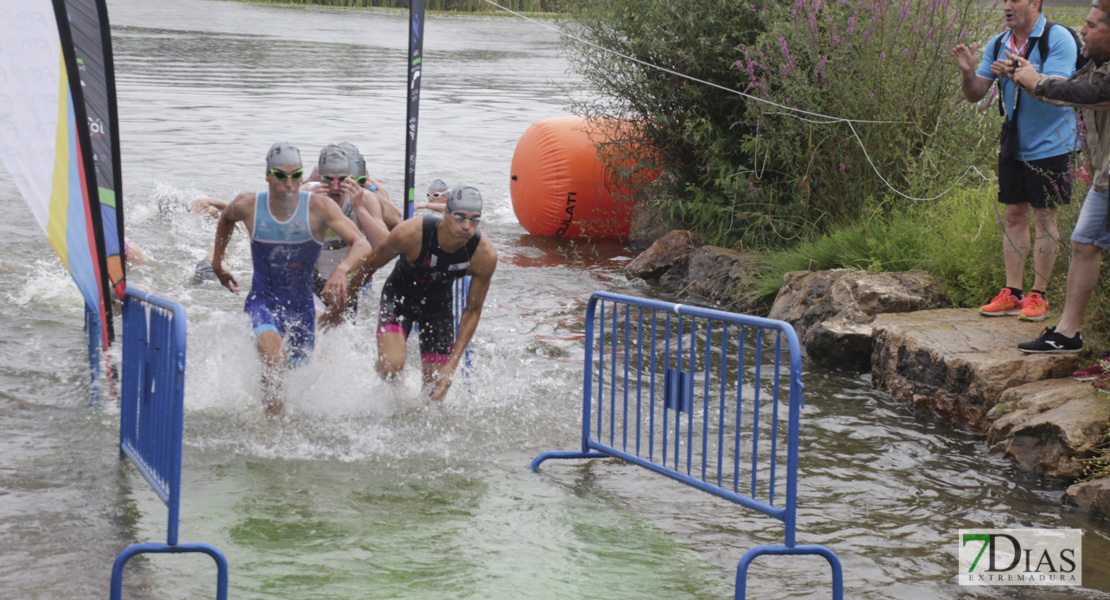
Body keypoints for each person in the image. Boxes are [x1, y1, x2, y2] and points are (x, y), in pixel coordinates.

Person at [210, 142, 371, 416]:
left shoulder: (319, 208)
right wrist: (217, 263)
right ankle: (272, 430)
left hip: (301, 307)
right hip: (264, 300)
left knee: (295, 377)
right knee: (274, 360)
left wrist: (342, 270)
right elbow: (226, 218)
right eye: (281, 175)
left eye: (296, 175)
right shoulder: (249, 205)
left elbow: (363, 244)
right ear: (268, 175)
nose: (289, 183)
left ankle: (278, 416)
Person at [952, 0, 1080, 322]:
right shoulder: (999, 43)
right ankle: (1012, 292)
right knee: (1013, 215)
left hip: (1054, 142)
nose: (1007, 6)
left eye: (1015, 0)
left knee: (1044, 217)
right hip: (1015, 143)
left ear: (1035, 3)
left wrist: (1019, 73)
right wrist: (969, 74)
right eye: (1005, 0)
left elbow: (1058, 88)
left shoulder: (1058, 37)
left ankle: (1039, 295)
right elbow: (975, 94)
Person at [1007, 1, 1110, 382]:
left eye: (1090, 25)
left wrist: (1036, 81)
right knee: (1084, 244)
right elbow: (1067, 89)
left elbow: (1087, 95)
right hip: (1104, 175)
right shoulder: (1095, 64)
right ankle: (1067, 335)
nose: (1082, 31)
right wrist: (1026, 78)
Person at [349, 184, 497, 401]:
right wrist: (343, 302)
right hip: (400, 297)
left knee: (435, 392)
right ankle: (392, 396)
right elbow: (371, 265)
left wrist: (452, 366)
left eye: (474, 220)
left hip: (438, 307)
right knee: (391, 365)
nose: (467, 226)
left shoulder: (484, 255)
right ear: (445, 214)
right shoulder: (412, 233)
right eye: (459, 217)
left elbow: (473, 310)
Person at [304, 144, 390, 329]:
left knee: (339, 337)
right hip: (309, 276)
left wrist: (359, 209)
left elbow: (384, 248)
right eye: (328, 180)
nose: (335, 187)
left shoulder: (363, 198)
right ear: (319, 178)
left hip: (345, 280)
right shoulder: (305, 195)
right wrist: (302, 208)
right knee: (315, 332)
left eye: (342, 180)